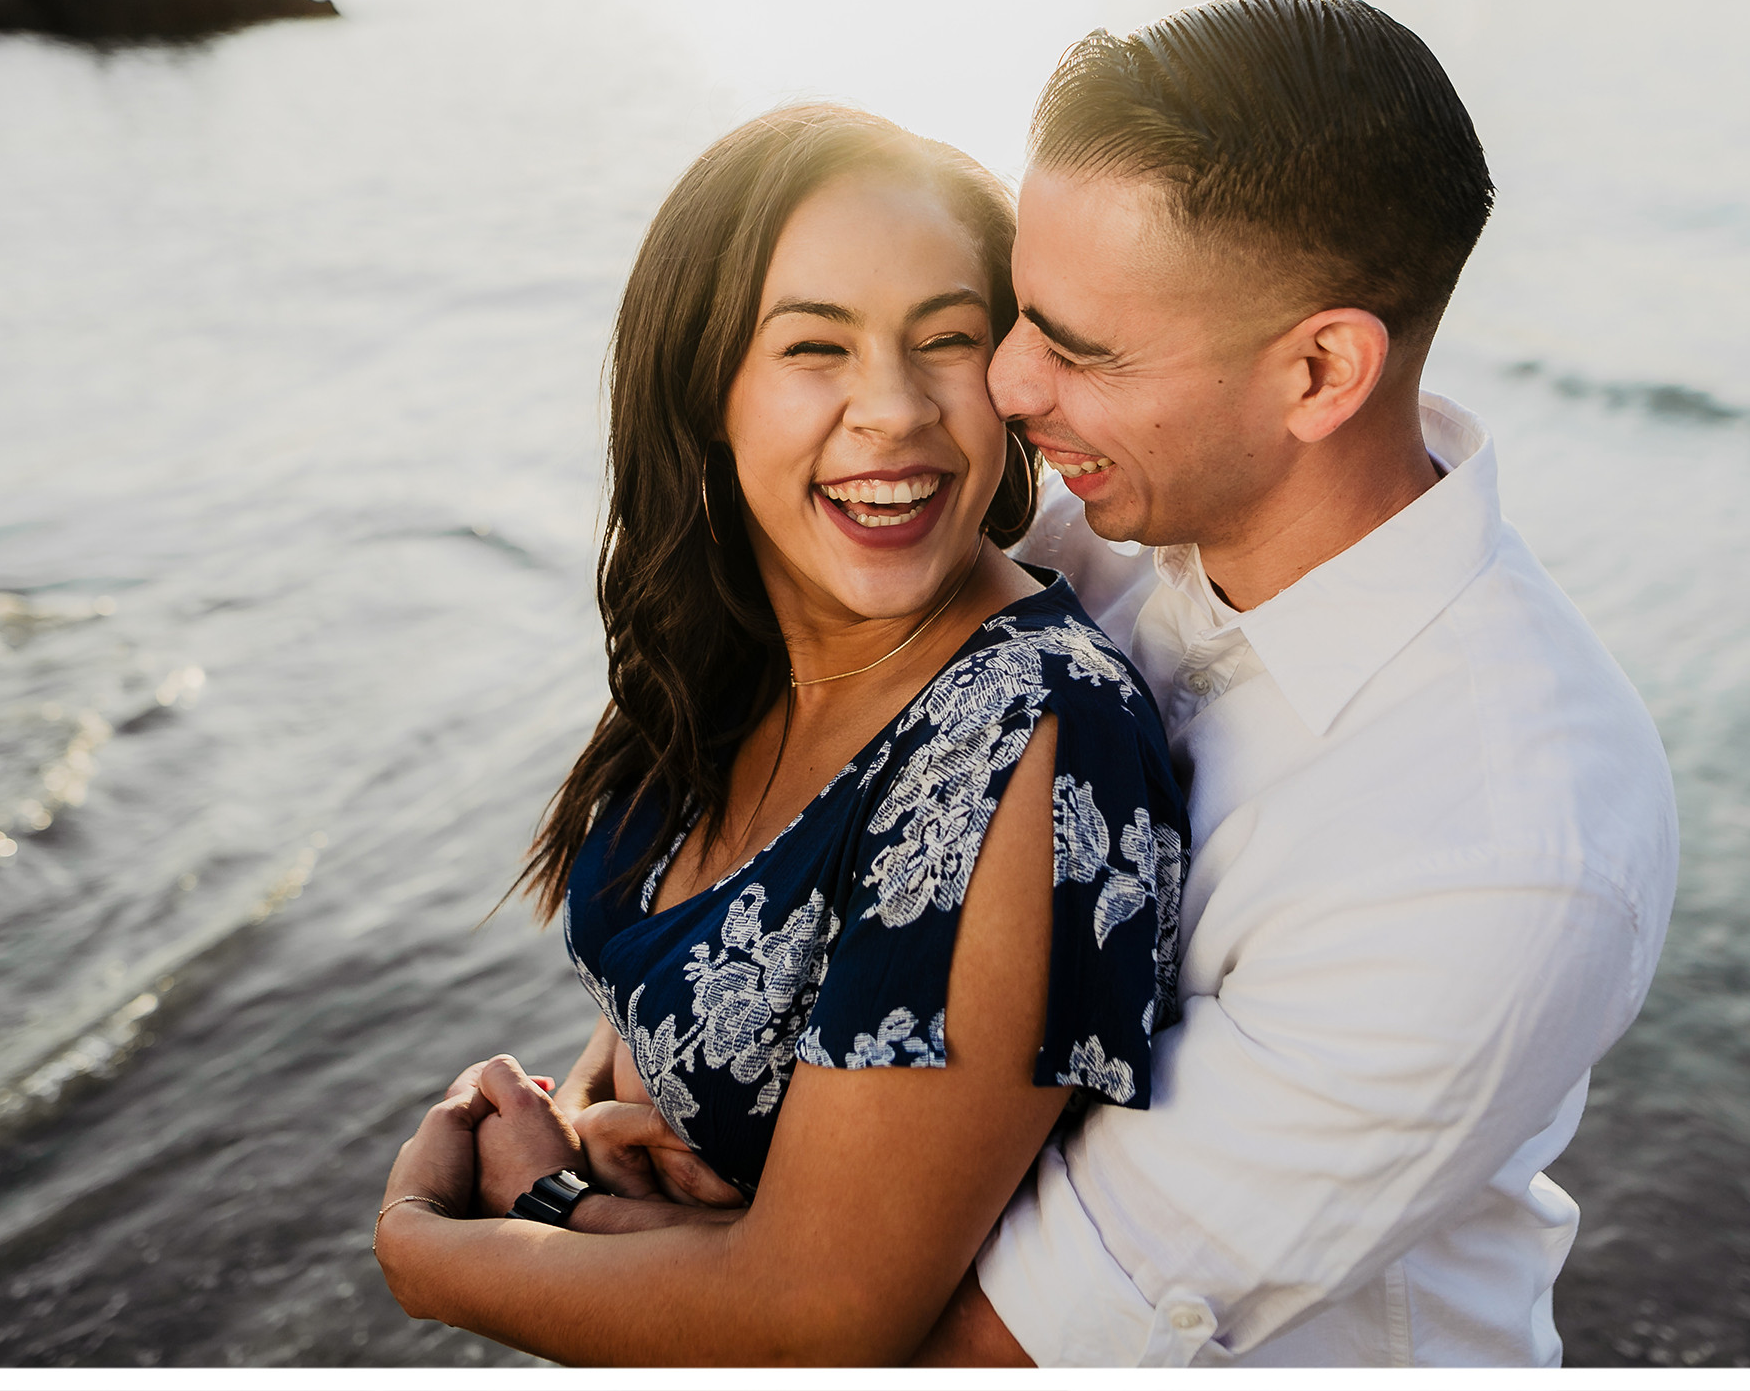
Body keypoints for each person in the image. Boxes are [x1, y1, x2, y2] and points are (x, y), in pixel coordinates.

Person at [434, 0, 1680, 1367]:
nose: (1008, 386)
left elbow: (982, 1349)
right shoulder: (1095, 532)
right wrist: (675, 1094)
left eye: (1077, 346)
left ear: (1321, 369)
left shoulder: (1500, 849)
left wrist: (512, 1227)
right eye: (1016, 311)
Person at [371, 103, 1187, 1365]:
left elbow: (823, 1318)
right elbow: (681, 985)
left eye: (948, 339)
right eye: (815, 346)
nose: (893, 411)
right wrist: (590, 1111)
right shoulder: (744, 642)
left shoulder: (1025, 733)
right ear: (706, 388)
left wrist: (445, 1248)